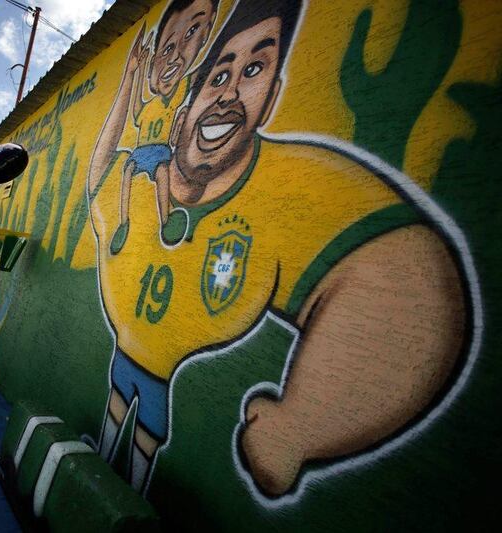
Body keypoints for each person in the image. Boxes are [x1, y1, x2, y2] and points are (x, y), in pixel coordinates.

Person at [88, 0, 469, 497]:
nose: (227, 96)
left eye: (252, 71)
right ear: (182, 118)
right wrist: (127, 84)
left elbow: (404, 275)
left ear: (270, 102)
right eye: (217, 77)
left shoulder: (288, 188)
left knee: (144, 436)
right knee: (120, 413)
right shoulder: (133, 183)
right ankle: (101, 471)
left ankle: (128, 488)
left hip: (162, 376)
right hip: (131, 357)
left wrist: (299, 427)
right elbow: (97, 175)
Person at [102, 0, 219, 254]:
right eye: (164, 54)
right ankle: (123, 223)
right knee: (127, 171)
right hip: (140, 152)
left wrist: (205, 42)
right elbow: (135, 108)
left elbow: (194, 73)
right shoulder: (150, 105)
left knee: (163, 172)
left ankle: (165, 220)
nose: (170, 64)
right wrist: (136, 69)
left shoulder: (174, 99)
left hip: (160, 151)